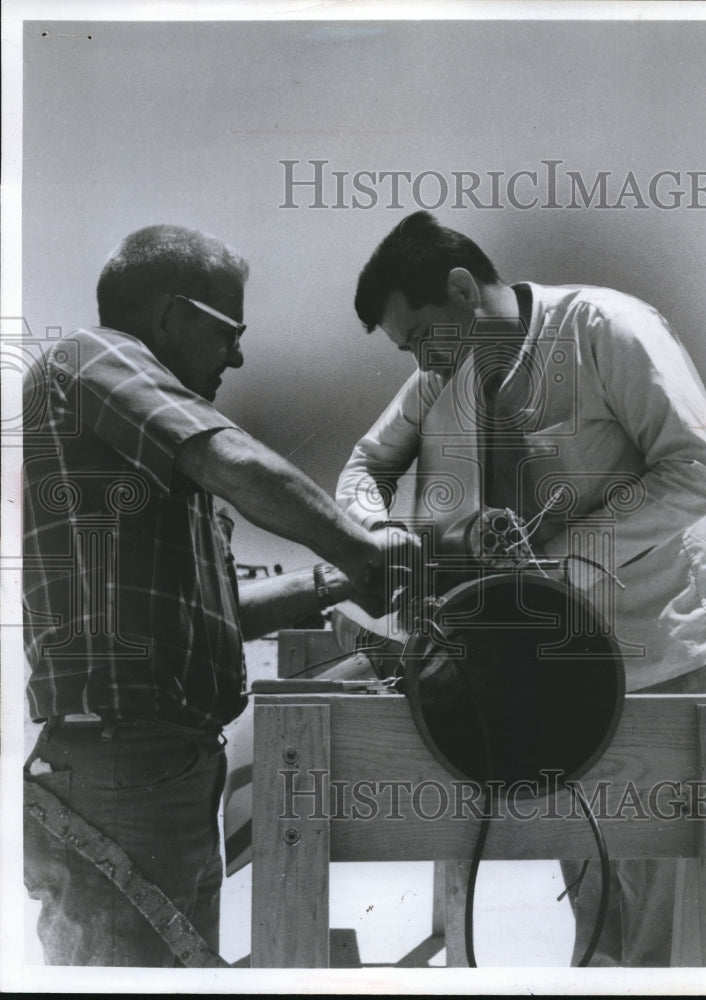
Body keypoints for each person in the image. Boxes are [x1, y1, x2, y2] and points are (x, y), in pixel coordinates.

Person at [335, 210, 706, 967]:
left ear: (461, 288)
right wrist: (379, 534)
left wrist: (563, 559)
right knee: (597, 918)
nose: (421, 362)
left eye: (423, 336)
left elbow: (699, 470)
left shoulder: (607, 328)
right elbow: (363, 469)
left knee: (674, 933)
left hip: (660, 655)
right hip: (550, 676)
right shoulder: (440, 372)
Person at [22, 223, 420, 967]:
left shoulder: (163, 463)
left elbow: (220, 612)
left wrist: (339, 580)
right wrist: (362, 551)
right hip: (123, 772)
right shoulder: (90, 357)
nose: (237, 355)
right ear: (171, 316)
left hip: (160, 771)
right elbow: (232, 457)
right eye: (228, 333)